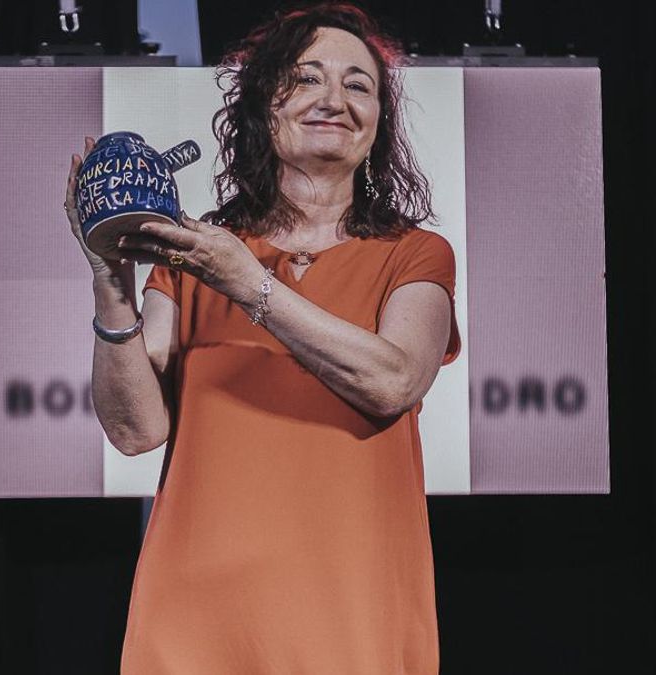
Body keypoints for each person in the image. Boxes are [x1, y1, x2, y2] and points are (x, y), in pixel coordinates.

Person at [62, 3, 461, 672]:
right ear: (262, 108)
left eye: (358, 85)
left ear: (378, 126)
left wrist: (248, 283)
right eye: (306, 78)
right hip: (198, 620)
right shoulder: (195, 258)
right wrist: (110, 277)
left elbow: (393, 380)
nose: (333, 98)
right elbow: (135, 430)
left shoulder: (415, 254)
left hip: (351, 614)